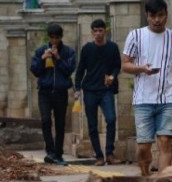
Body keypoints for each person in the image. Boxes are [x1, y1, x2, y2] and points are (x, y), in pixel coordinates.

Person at [122, 0, 172, 176]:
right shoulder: (135, 36)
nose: (157, 20)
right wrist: (142, 68)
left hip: (167, 98)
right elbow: (125, 65)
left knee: (165, 142)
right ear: (147, 16)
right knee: (144, 146)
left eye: (161, 15)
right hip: (143, 100)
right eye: (153, 16)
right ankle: (145, 175)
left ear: (166, 14)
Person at [75, 19, 122, 166]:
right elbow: (80, 69)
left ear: (105, 31)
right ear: (91, 32)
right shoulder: (87, 49)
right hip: (89, 90)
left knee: (111, 119)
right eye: (95, 31)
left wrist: (113, 76)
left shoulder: (113, 47)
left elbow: (117, 66)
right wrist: (77, 88)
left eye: (100, 30)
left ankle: (109, 153)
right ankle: (99, 156)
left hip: (106, 89)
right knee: (92, 124)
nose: (98, 34)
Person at [30, 23, 76, 166]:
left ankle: (58, 154)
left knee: (60, 124)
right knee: (45, 120)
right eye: (52, 38)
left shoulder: (68, 51)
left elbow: (69, 70)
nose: (54, 41)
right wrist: (43, 58)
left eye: (57, 38)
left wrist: (58, 58)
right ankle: (50, 152)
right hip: (44, 92)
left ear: (61, 37)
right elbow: (35, 71)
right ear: (49, 37)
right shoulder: (40, 51)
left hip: (61, 92)